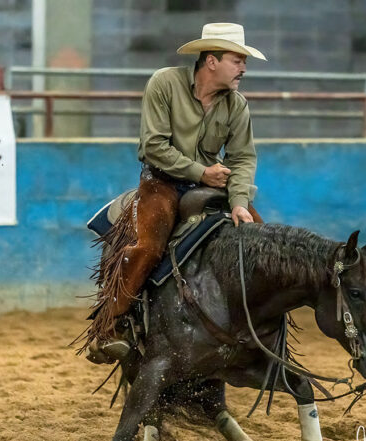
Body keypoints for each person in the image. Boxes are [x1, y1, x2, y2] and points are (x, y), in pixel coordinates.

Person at [86, 23, 266, 364]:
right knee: (148, 247)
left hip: (212, 184)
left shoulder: (237, 105)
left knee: (262, 242)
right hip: (162, 182)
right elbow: (154, 146)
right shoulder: (164, 83)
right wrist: (202, 172)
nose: (243, 67)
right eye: (237, 60)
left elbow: (243, 158)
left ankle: (259, 336)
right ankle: (107, 329)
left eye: (244, 61)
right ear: (211, 61)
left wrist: (240, 203)